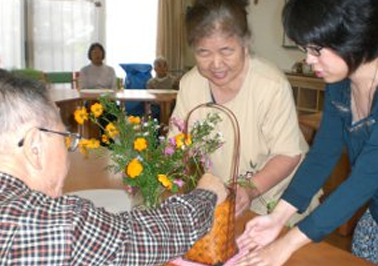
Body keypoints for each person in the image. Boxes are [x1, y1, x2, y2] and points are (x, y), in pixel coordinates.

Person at [0, 69, 229, 265]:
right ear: (35, 147)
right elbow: (142, 237)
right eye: (65, 136)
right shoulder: (50, 225)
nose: (69, 148)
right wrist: (206, 194)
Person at [232, 0, 378, 265]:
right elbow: (323, 154)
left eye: (317, 50)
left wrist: (286, 245)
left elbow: (365, 180)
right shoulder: (341, 84)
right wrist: (277, 218)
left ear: (353, 35)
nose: (309, 60)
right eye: (305, 49)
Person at [170, 0, 319, 223]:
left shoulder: (270, 85)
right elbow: (178, 145)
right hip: (229, 203)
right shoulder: (191, 84)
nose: (216, 63)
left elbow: (288, 154)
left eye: (226, 50)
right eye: (203, 53)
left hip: (282, 203)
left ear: (245, 43)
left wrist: (249, 190)